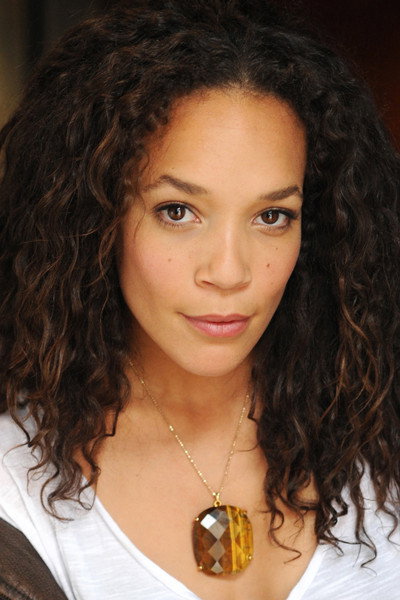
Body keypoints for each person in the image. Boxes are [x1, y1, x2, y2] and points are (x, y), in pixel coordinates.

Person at [0, 1, 399, 599]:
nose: (229, 272)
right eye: (178, 211)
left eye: (272, 216)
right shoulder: (15, 481)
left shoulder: (378, 436)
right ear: (96, 216)